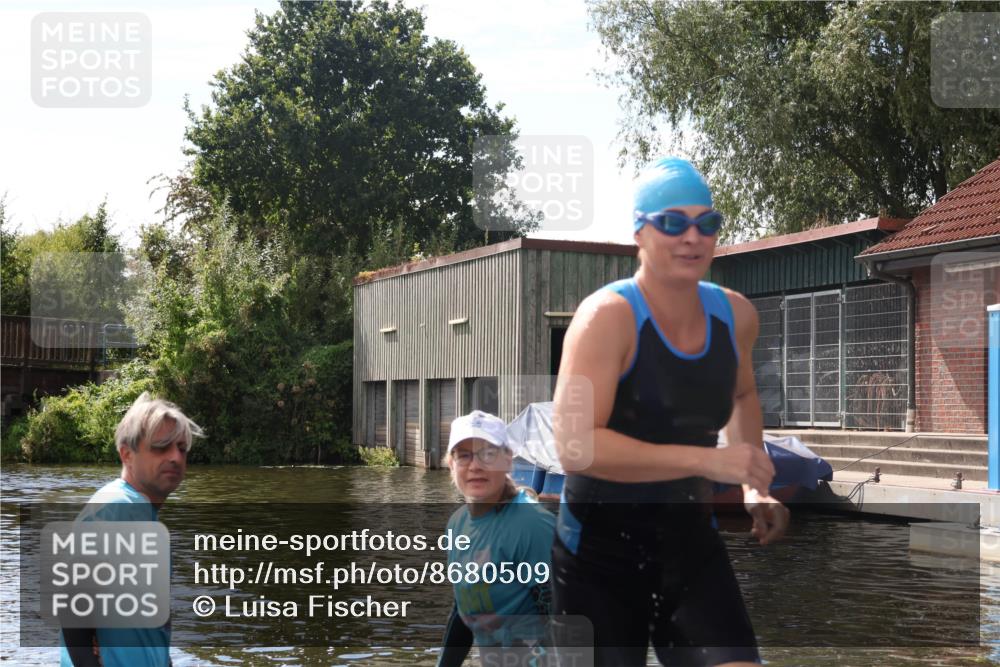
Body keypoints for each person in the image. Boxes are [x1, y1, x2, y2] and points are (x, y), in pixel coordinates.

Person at [551, 156, 790, 666]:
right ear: (640, 231)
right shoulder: (605, 318)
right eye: (673, 223)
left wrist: (754, 484)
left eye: (707, 224)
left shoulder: (735, 315)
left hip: (687, 545)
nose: (693, 237)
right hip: (596, 557)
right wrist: (707, 461)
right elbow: (574, 447)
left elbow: (743, 395)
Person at [60, 392, 203, 667]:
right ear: (127, 454)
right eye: (161, 447)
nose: (175, 457)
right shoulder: (117, 508)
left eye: (182, 448)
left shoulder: (137, 512)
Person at [437, 410, 556, 667]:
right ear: (450, 464)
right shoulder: (457, 524)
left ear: (508, 460)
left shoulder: (531, 525)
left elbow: (562, 618)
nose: (475, 465)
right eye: (464, 455)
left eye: (488, 454)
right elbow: (464, 609)